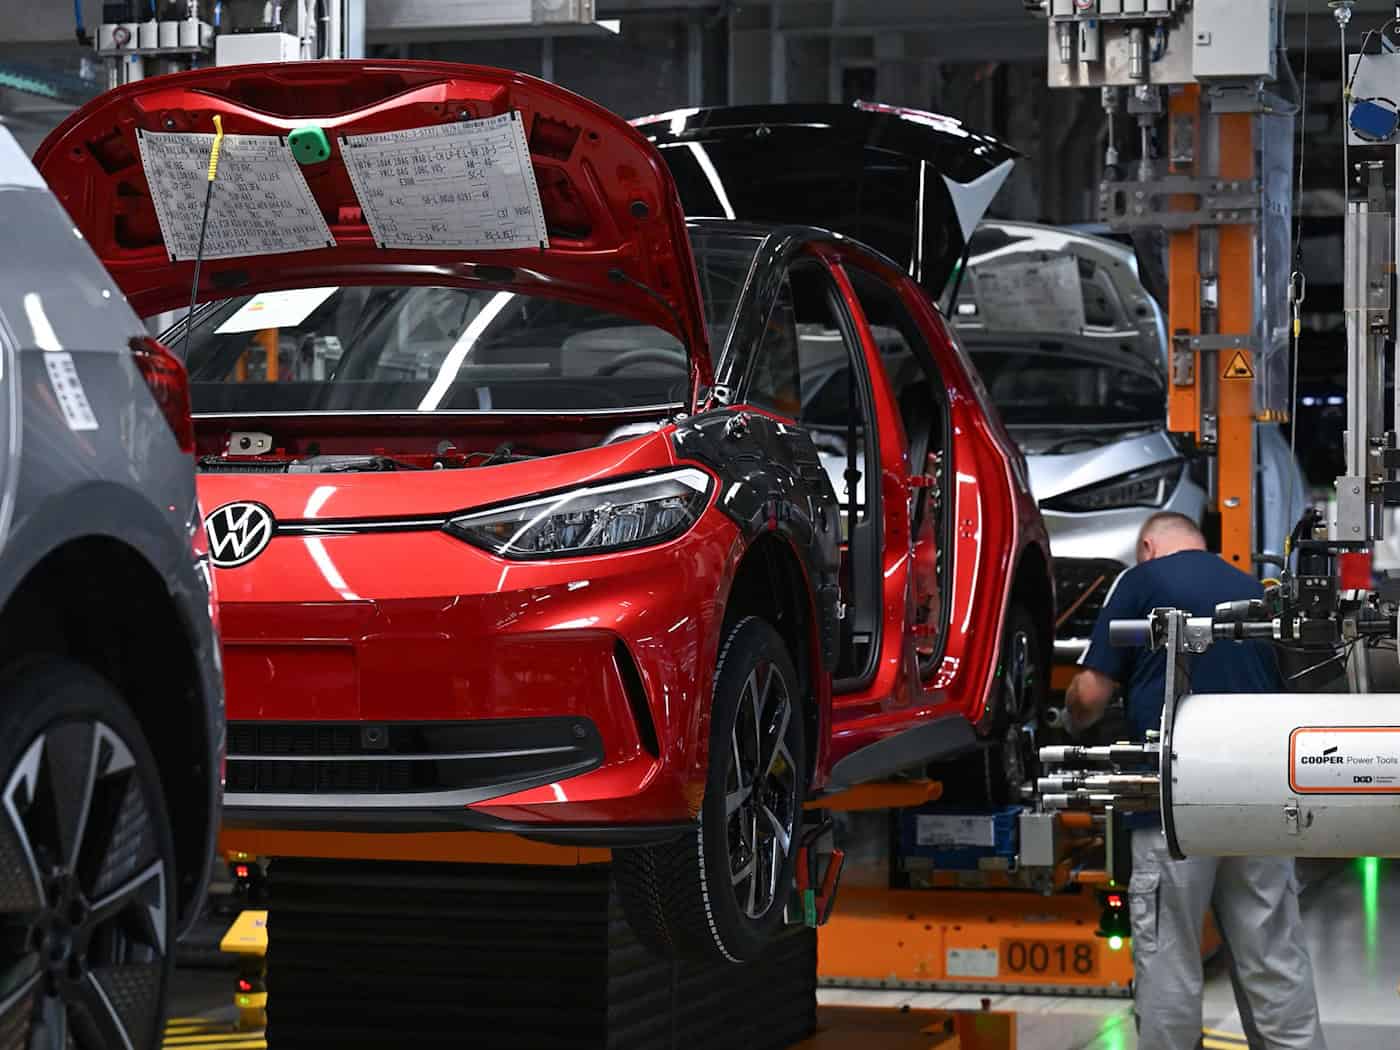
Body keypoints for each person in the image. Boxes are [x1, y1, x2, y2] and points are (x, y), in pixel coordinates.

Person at [1065, 511, 1326, 1050]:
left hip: (1174, 802)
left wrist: (1068, 716)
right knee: (1274, 957)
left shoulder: (1139, 580)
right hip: (1260, 797)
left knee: (1170, 959)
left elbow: (1090, 695)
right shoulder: (1252, 588)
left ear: (1147, 546)